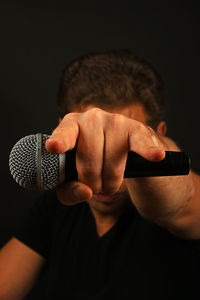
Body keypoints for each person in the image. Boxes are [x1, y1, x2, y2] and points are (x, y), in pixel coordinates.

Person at [1, 49, 200, 300]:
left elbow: (183, 200)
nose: (107, 170)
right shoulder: (57, 207)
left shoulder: (185, 211)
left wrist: (152, 150)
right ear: (62, 128)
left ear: (159, 132)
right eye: (92, 143)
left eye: (124, 147)